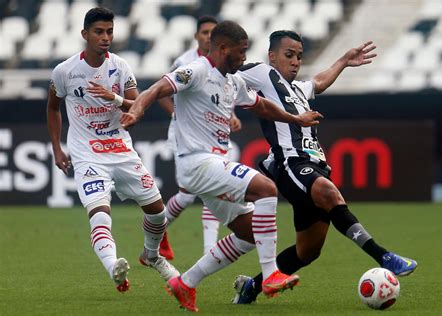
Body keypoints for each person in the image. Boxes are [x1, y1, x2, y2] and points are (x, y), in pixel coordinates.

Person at [120, 21, 323, 312]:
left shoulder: (233, 81)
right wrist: (138, 107)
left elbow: (261, 106)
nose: (243, 59)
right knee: (266, 189)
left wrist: (295, 119)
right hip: (197, 162)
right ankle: (270, 275)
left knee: (251, 233)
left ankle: (186, 282)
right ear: (223, 48)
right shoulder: (197, 71)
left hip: (214, 166)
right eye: (240, 53)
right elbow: (158, 88)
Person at [231, 30, 418, 304]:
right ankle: (384, 256)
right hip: (290, 163)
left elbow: (318, 82)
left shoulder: (297, 89)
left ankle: (251, 287)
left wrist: (344, 60)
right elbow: (226, 77)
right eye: (289, 55)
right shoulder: (261, 73)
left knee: (307, 252)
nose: (295, 61)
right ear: (272, 57)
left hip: (314, 164)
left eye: (299, 56)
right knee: (329, 194)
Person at [46, 7, 178, 293]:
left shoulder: (120, 66)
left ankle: (151, 255)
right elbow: (53, 107)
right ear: (85, 35)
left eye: (109, 32)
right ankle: (114, 267)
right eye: (99, 32)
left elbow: (137, 106)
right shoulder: (65, 71)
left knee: (158, 213)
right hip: (87, 154)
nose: (105, 37)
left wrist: (114, 98)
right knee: (99, 212)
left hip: (121, 150)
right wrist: (57, 149)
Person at [157, 16, 243, 259]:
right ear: (197, 36)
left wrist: (232, 115)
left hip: (212, 136)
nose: (208, 36)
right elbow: (161, 91)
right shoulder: (185, 62)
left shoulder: (223, 64)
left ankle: (207, 249)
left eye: (212, 32)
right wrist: (178, 114)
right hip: (186, 137)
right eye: (204, 32)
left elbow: (221, 94)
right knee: (187, 194)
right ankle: (158, 230)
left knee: (212, 189)